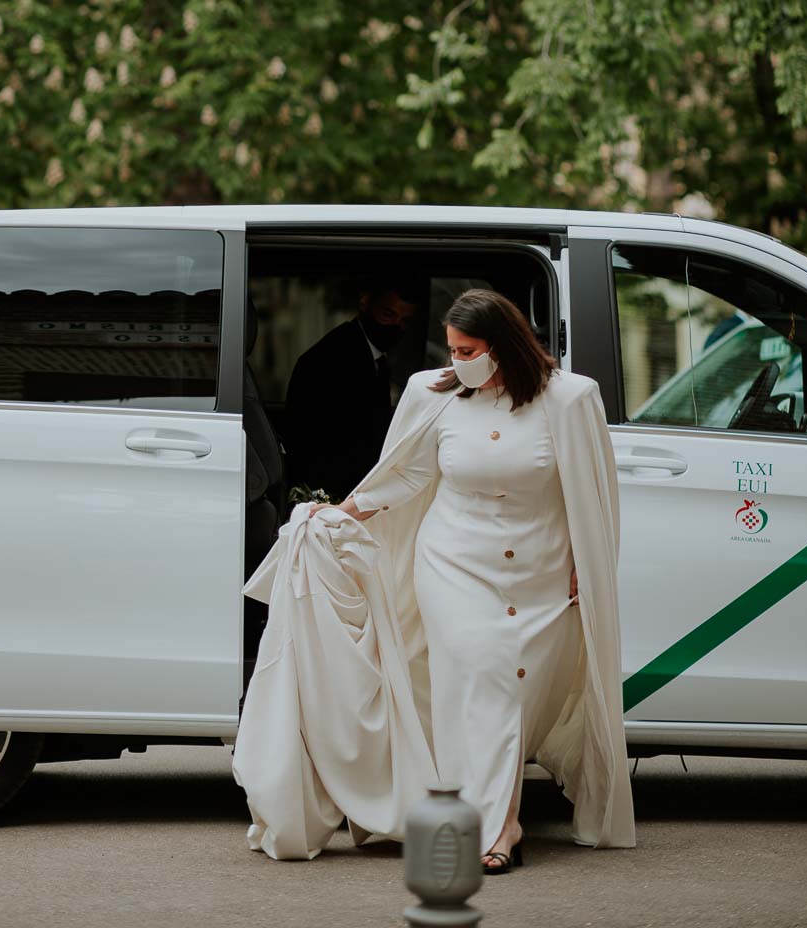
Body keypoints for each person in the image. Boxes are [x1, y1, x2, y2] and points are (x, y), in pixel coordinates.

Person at [234, 288, 635, 867]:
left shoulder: (571, 399)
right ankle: (499, 831)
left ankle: (484, 810)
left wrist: (585, 562)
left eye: (467, 350)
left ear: (503, 346)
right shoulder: (435, 393)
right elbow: (402, 475)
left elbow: (594, 495)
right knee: (484, 674)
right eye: (451, 349)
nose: (456, 361)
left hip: (541, 569)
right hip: (452, 563)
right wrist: (340, 514)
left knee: (516, 694)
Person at [281, 281, 420, 503]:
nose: (396, 326)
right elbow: (337, 438)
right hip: (332, 490)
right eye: (388, 314)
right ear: (365, 302)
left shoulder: (373, 356)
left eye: (404, 321)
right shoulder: (337, 357)